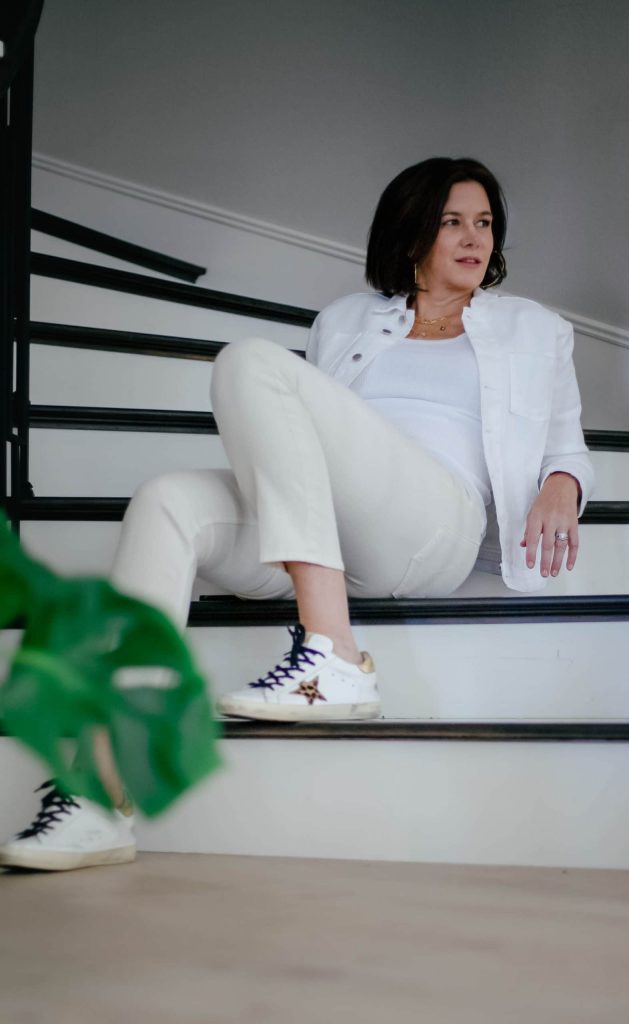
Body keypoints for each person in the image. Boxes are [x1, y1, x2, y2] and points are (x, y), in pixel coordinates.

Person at [0, 157, 593, 870]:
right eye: (450, 222)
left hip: (438, 523)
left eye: (484, 224)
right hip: (337, 535)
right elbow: (300, 448)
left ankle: (333, 654)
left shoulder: (534, 329)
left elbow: (565, 441)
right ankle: (100, 791)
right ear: (410, 234)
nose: (473, 239)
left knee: (251, 361)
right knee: (167, 501)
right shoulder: (345, 320)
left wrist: (562, 481)